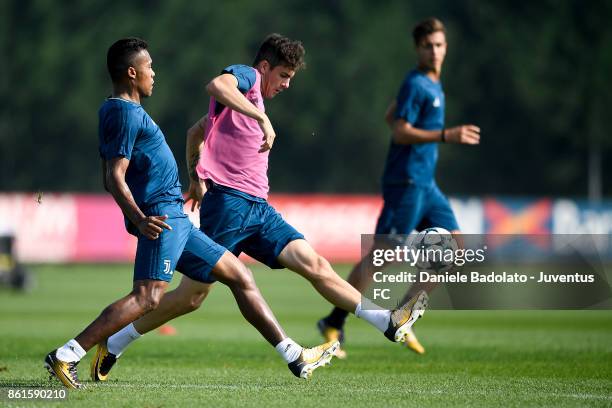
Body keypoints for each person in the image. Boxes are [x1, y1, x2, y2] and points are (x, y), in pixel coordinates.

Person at [91, 33, 428, 382]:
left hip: (259, 209)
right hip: (228, 207)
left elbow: (196, 132)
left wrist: (195, 177)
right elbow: (217, 84)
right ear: (265, 67)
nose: (285, 85)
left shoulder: (244, 105)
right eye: (283, 76)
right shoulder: (247, 78)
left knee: (315, 264)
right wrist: (260, 121)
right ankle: (114, 342)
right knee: (190, 298)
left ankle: (387, 321)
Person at [44, 38, 340, 389]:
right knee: (146, 297)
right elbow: (113, 176)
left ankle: (293, 355)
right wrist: (140, 219)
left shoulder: (130, 111)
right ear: (131, 72)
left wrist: (191, 180)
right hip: (162, 218)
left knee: (240, 276)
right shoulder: (122, 112)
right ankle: (67, 354)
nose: (154, 73)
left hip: (178, 219)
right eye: (149, 67)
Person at [317, 17, 480, 358]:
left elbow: (391, 114)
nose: (434, 51)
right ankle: (333, 322)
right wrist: (445, 136)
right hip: (405, 182)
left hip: (426, 184)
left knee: (454, 248)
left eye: (439, 45)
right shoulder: (417, 83)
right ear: (418, 49)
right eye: (428, 46)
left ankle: (403, 316)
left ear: (446, 47)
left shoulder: (434, 84)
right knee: (383, 256)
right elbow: (399, 130)